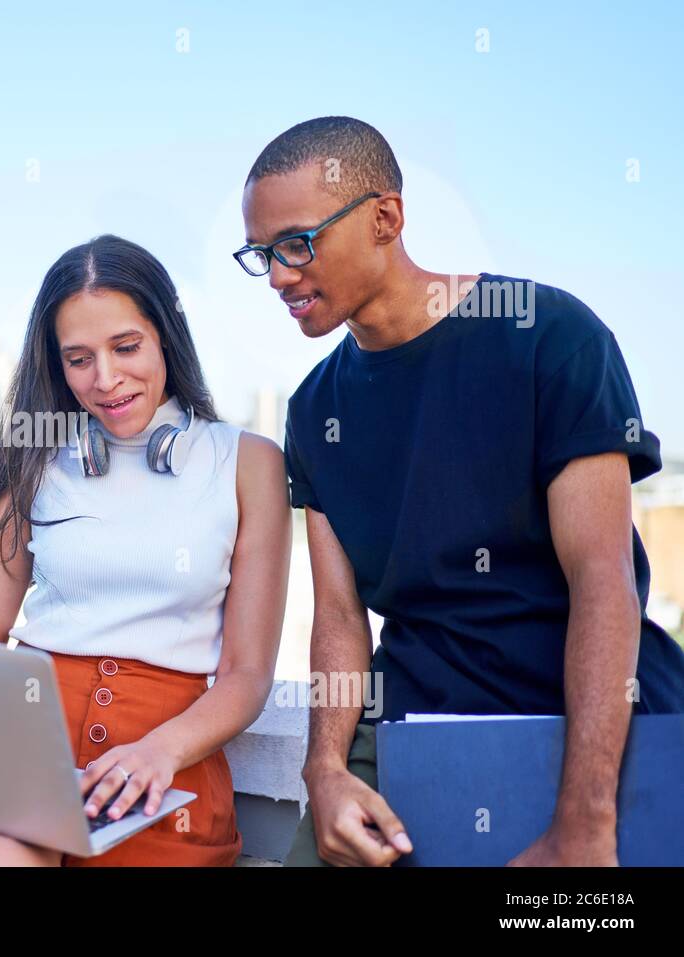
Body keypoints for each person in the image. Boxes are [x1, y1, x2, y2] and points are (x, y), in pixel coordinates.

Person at [233, 116, 684, 867]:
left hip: (589, 722)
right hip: (414, 726)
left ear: (385, 218)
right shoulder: (314, 411)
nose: (278, 274)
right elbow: (341, 619)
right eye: (262, 254)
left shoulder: (550, 337)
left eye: (297, 243)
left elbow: (604, 586)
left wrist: (584, 822)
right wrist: (326, 771)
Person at [0, 234, 291, 866]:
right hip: (21, 760)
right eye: (78, 359)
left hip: (165, 781)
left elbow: (246, 676)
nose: (106, 379)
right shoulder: (31, 463)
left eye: (126, 347)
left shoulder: (247, 464)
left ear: (165, 337)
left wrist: (160, 750)